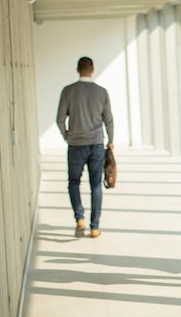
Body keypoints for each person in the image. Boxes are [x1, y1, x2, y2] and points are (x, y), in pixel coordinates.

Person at [56, 56, 114, 238]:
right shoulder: (102, 92)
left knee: (73, 182)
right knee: (96, 185)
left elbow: (59, 120)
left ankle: (79, 219)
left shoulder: (68, 91)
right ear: (93, 69)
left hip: (75, 145)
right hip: (96, 143)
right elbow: (109, 120)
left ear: (77, 70)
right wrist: (110, 140)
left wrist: (68, 136)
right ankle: (95, 227)